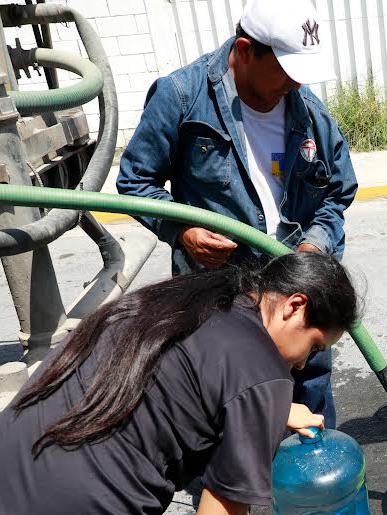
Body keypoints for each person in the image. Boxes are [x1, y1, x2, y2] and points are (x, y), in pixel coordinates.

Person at [0, 253, 359, 515]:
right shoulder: (266, 374)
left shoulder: (177, 301)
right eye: (314, 345)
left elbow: (174, 381)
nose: (304, 363)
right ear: (294, 305)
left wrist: (271, 409)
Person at [117, 0, 356, 429]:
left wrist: (313, 247)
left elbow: (336, 194)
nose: (295, 83)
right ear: (245, 50)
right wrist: (183, 229)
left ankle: (308, 485)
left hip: (297, 281)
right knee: (226, 394)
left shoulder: (308, 110)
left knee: (309, 383)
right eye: (284, 69)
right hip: (219, 290)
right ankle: (231, 488)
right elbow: (136, 183)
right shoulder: (181, 97)